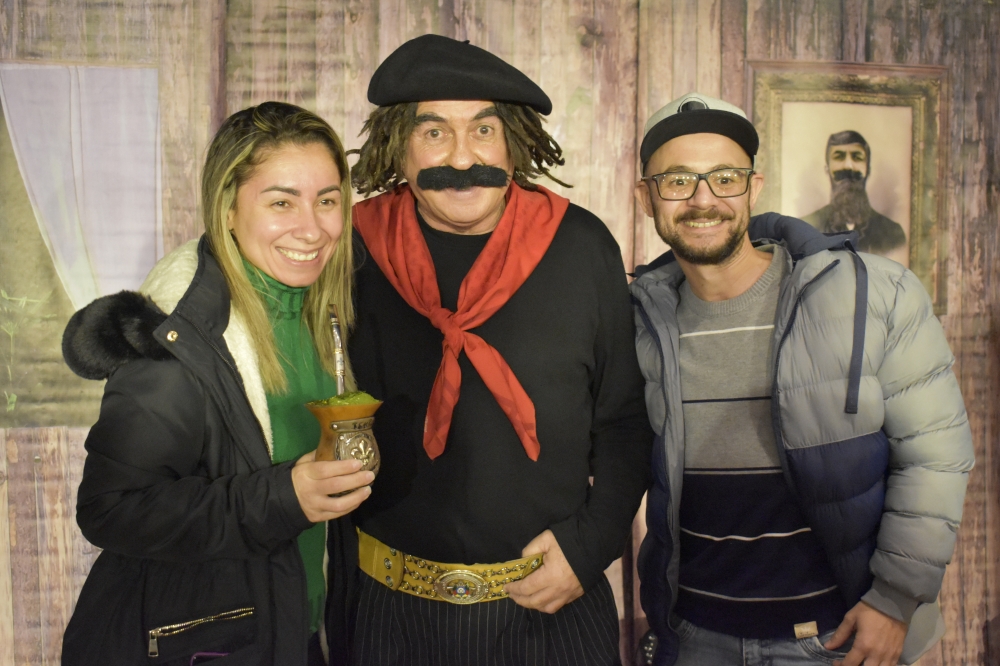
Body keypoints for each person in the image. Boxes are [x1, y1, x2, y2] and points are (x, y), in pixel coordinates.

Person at [332, 34, 653, 666]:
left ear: (514, 143)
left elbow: (624, 420)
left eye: (483, 130)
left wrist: (590, 548)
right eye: (433, 132)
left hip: (551, 605)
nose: (462, 156)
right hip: (387, 612)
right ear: (398, 145)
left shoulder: (580, 245)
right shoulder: (350, 247)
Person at [630, 93, 973, 666]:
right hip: (692, 636)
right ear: (646, 197)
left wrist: (895, 599)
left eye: (724, 178)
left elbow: (935, 456)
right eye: (678, 180)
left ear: (753, 188)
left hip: (834, 640)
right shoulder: (641, 319)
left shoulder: (875, 292)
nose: (703, 199)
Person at [60, 101, 373, 665]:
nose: (312, 228)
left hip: (303, 633)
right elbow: (111, 509)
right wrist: (284, 497)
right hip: (206, 645)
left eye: (327, 201)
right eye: (281, 202)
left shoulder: (329, 309)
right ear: (228, 209)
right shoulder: (178, 336)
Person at [802, 130, 907, 255]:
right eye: (839, 157)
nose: (848, 166)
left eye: (857, 157)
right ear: (827, 169)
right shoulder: (805, 230)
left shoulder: (892, 234)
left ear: (868, 170)